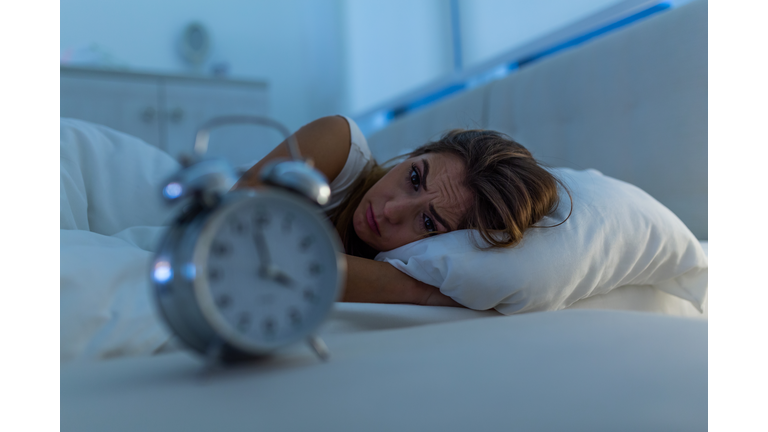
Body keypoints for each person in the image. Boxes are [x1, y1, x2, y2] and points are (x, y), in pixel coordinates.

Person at [234, 115, 567, 308]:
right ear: (415, 153)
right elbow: (226, 231)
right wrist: (410, 289)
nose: (391, 210)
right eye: (413, 177)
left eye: (427, 222)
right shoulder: (339, 145)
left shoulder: (435, 265)